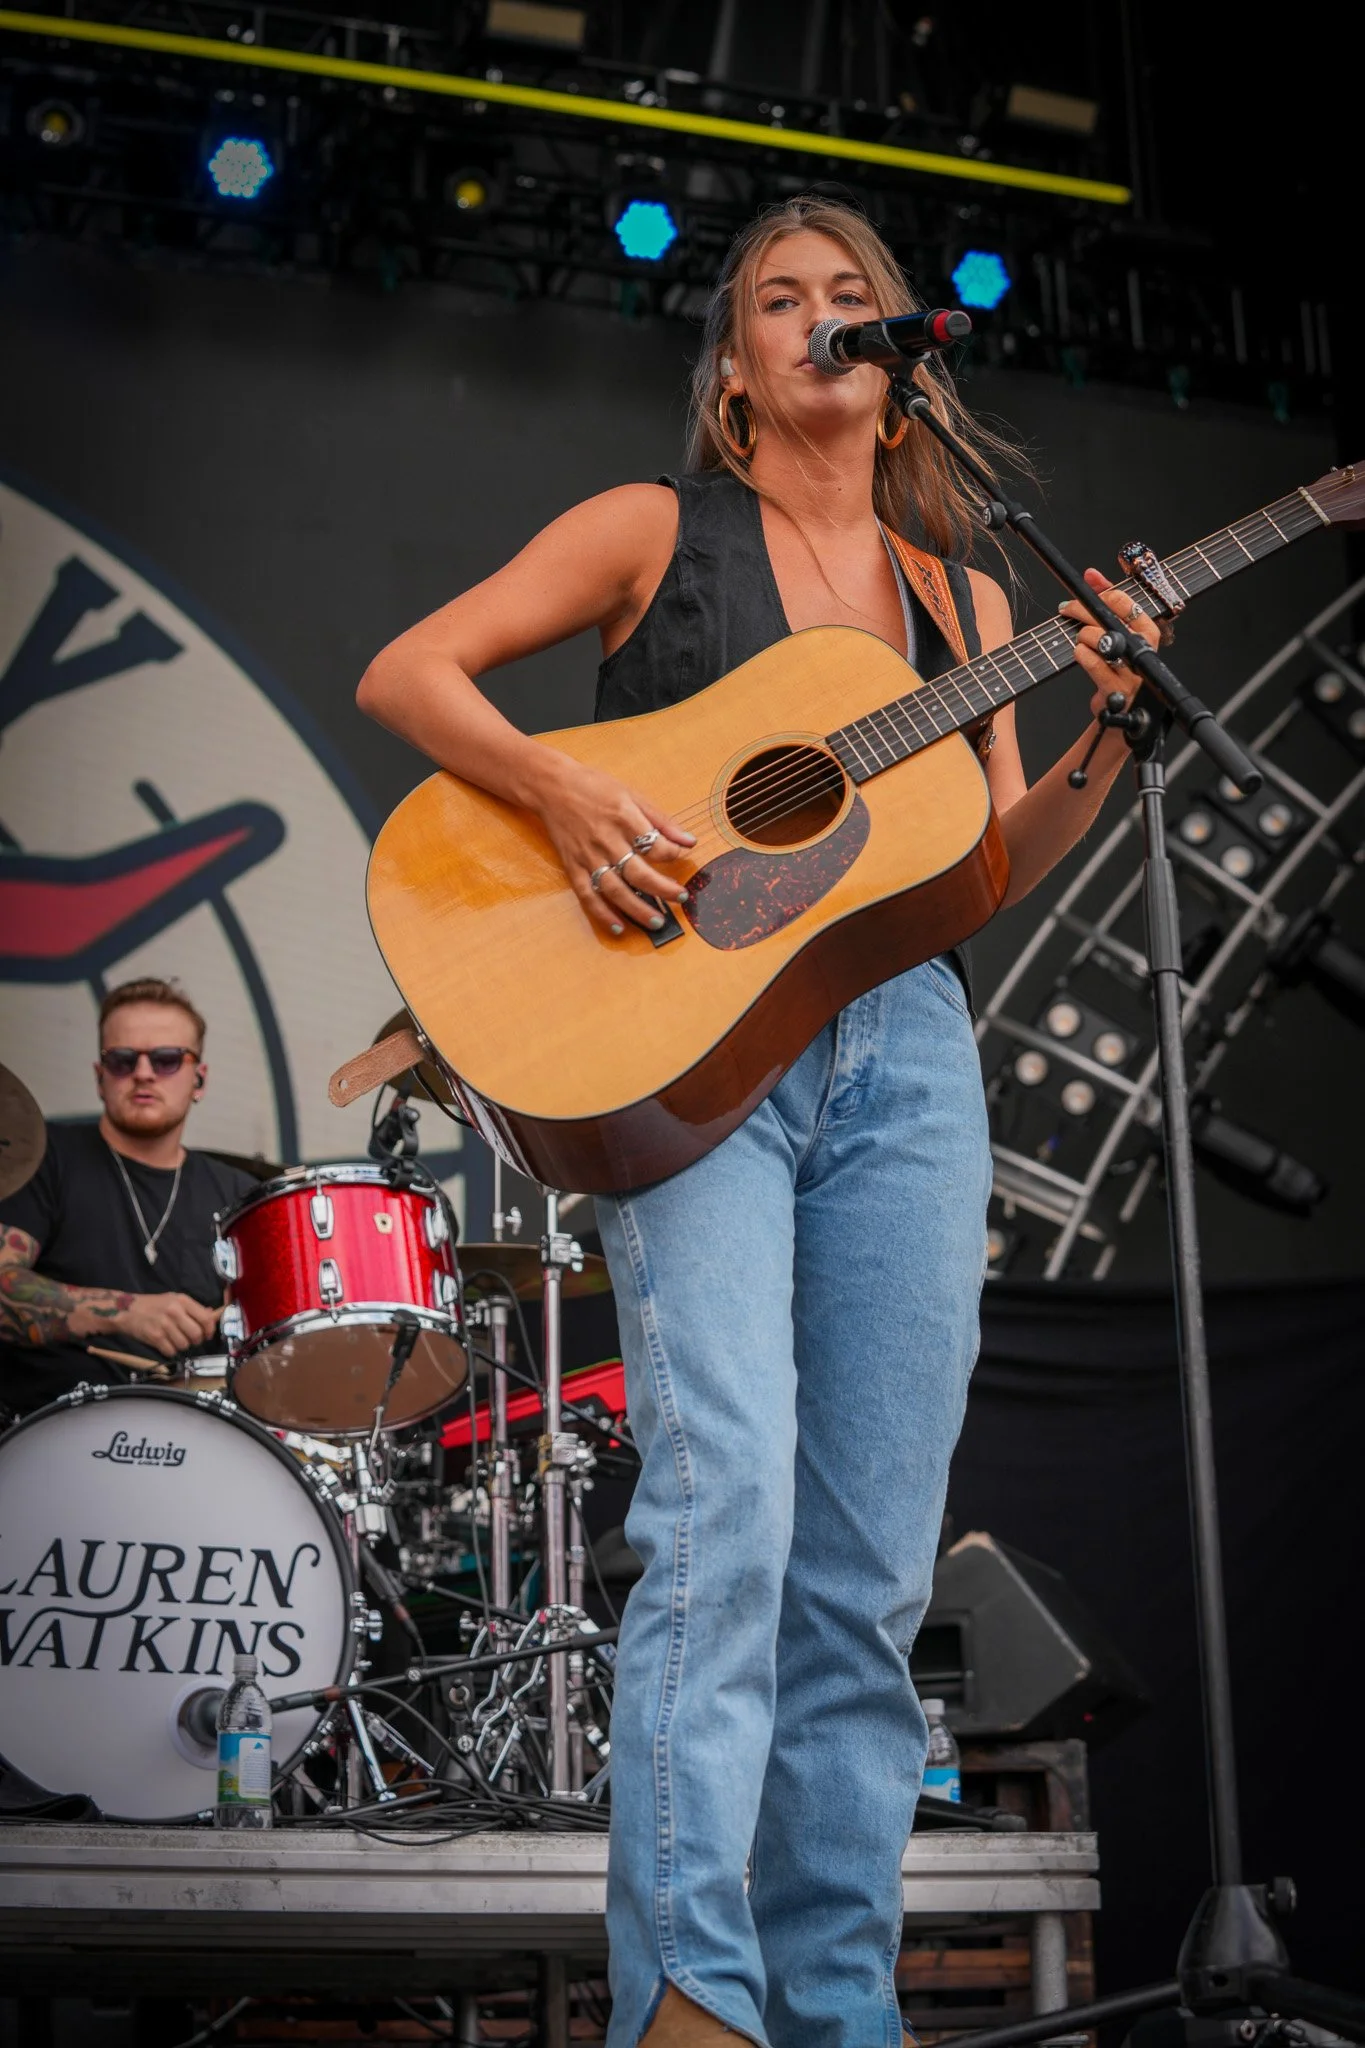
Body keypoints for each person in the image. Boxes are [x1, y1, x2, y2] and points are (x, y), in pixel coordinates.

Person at [356, 195, 1161, 2048]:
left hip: (909, 1050)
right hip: (688, 1051)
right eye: (779, 301)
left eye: (849, 297)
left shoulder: (966, 603)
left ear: (900, 356)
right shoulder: (651, 531)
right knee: (725, 1511)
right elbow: (411, 674)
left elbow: (981, 870)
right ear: (734, 369)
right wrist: (565, 794)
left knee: (869, 1576)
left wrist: (1107, 723)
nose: (818, 320)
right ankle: (690, 2003)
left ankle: (835, 2008)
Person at [0, 977, 257, 1419]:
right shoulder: (40, 1157)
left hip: (190, 1436)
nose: (143, 1072)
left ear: (199, 1079)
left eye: (166, 1059)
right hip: (44, 1428)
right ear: (100, 1078)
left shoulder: (237, 1194)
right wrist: (123, 1312)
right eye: (122, 1060)